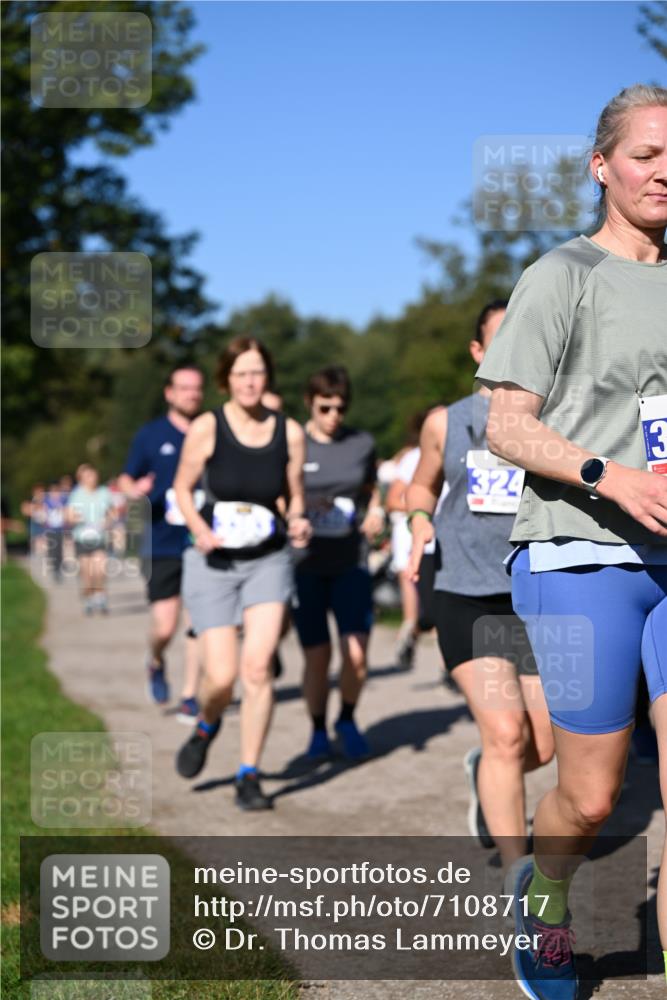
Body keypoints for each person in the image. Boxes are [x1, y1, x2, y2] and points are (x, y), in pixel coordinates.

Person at [476, 85, 667, 999]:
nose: (663, 171)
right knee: (589, 798)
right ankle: (541, 894)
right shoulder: (562, 274)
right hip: (579, 548)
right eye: (644, 154)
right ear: (602, 166)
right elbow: (505, 425)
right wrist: (609, 474)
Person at [407, 301, 554, 867]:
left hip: (533, 599)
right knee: (506, 734)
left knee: (543, 744)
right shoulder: (448, 422)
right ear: (477, 352)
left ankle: (483, 773)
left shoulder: (553, 420)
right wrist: (418, 517)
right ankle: (521, 875)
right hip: (466, 595)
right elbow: (419, 486)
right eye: (498, 340)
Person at [173, 336, 310, 810]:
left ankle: (248, 772)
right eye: (241, 374)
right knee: (222, 677)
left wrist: (297, 519)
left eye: (257, 372)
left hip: (267, 560)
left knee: (257, 668)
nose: (250, 382)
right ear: (226, 379)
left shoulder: (288, 431)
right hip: (214, 562)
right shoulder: (208, 427)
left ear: (267, 376)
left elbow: (293, 493)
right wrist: (198, 529)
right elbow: (183, 488)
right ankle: (207, 725)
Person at [293, 366, 384, 760]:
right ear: (309, 404)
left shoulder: (361, 444)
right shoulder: (293, 444)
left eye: (340, 408)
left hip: (350, 562)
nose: (333, 416)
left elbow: (372, 487)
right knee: (318, 657)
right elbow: (278, 493)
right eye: (325, 408)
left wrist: (376, 510)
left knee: (358, 654)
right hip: (305, 564)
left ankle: (346, 718)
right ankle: (316, 729)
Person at [118, 365, 204, 720]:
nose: (191, 394)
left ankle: (189, 695)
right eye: (184, 388)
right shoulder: (151, 435)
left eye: (197, 389)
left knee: (197, 621)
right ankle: (155, 660)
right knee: (166, 625)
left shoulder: (210, 430)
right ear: (170, 393)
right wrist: (134, 490)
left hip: (200, 540)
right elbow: (126, 477)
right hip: (161, 541)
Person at [67, 464, 113, 614]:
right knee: (87, 574)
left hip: (99, 537)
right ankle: (89, 598)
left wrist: (107, 521)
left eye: (93, 475)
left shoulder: (104, 492)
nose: (91, 479)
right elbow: (69, 515)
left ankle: (100, 597)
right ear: (81, 479)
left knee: (100, 570)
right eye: (87, 476)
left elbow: (112, 512)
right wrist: (75, 518)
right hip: (82, 538)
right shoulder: (76, 494)